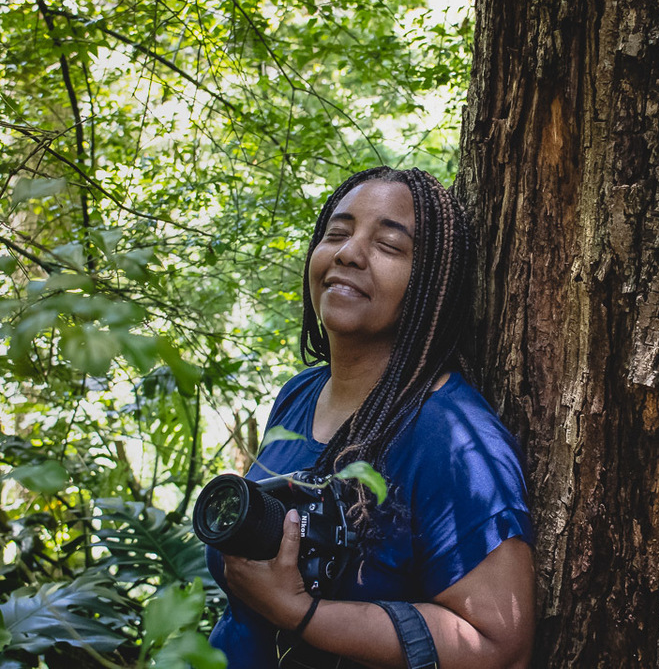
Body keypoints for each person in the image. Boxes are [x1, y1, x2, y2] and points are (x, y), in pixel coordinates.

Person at [205, 167, 534, 668]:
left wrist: (299, 611)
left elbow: (497, 646)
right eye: (336, 234)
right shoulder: (299, 394)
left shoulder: (452, 437)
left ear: (431, 285)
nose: (348, 253)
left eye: (389, 245)